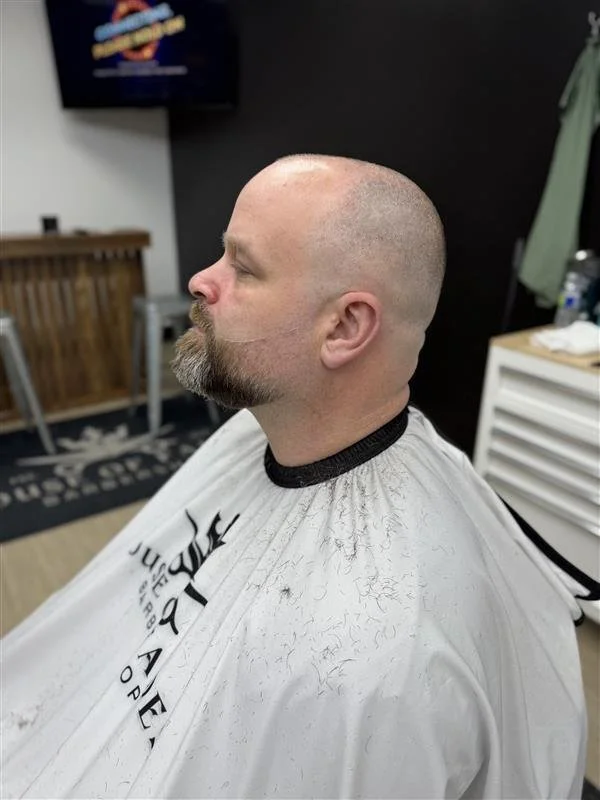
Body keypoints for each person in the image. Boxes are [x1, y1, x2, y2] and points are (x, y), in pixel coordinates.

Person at [1, 155, 590, 799]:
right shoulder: (252, 436)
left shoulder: (377, 660)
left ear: (343, 327)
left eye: (242, 268)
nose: (200, 280)